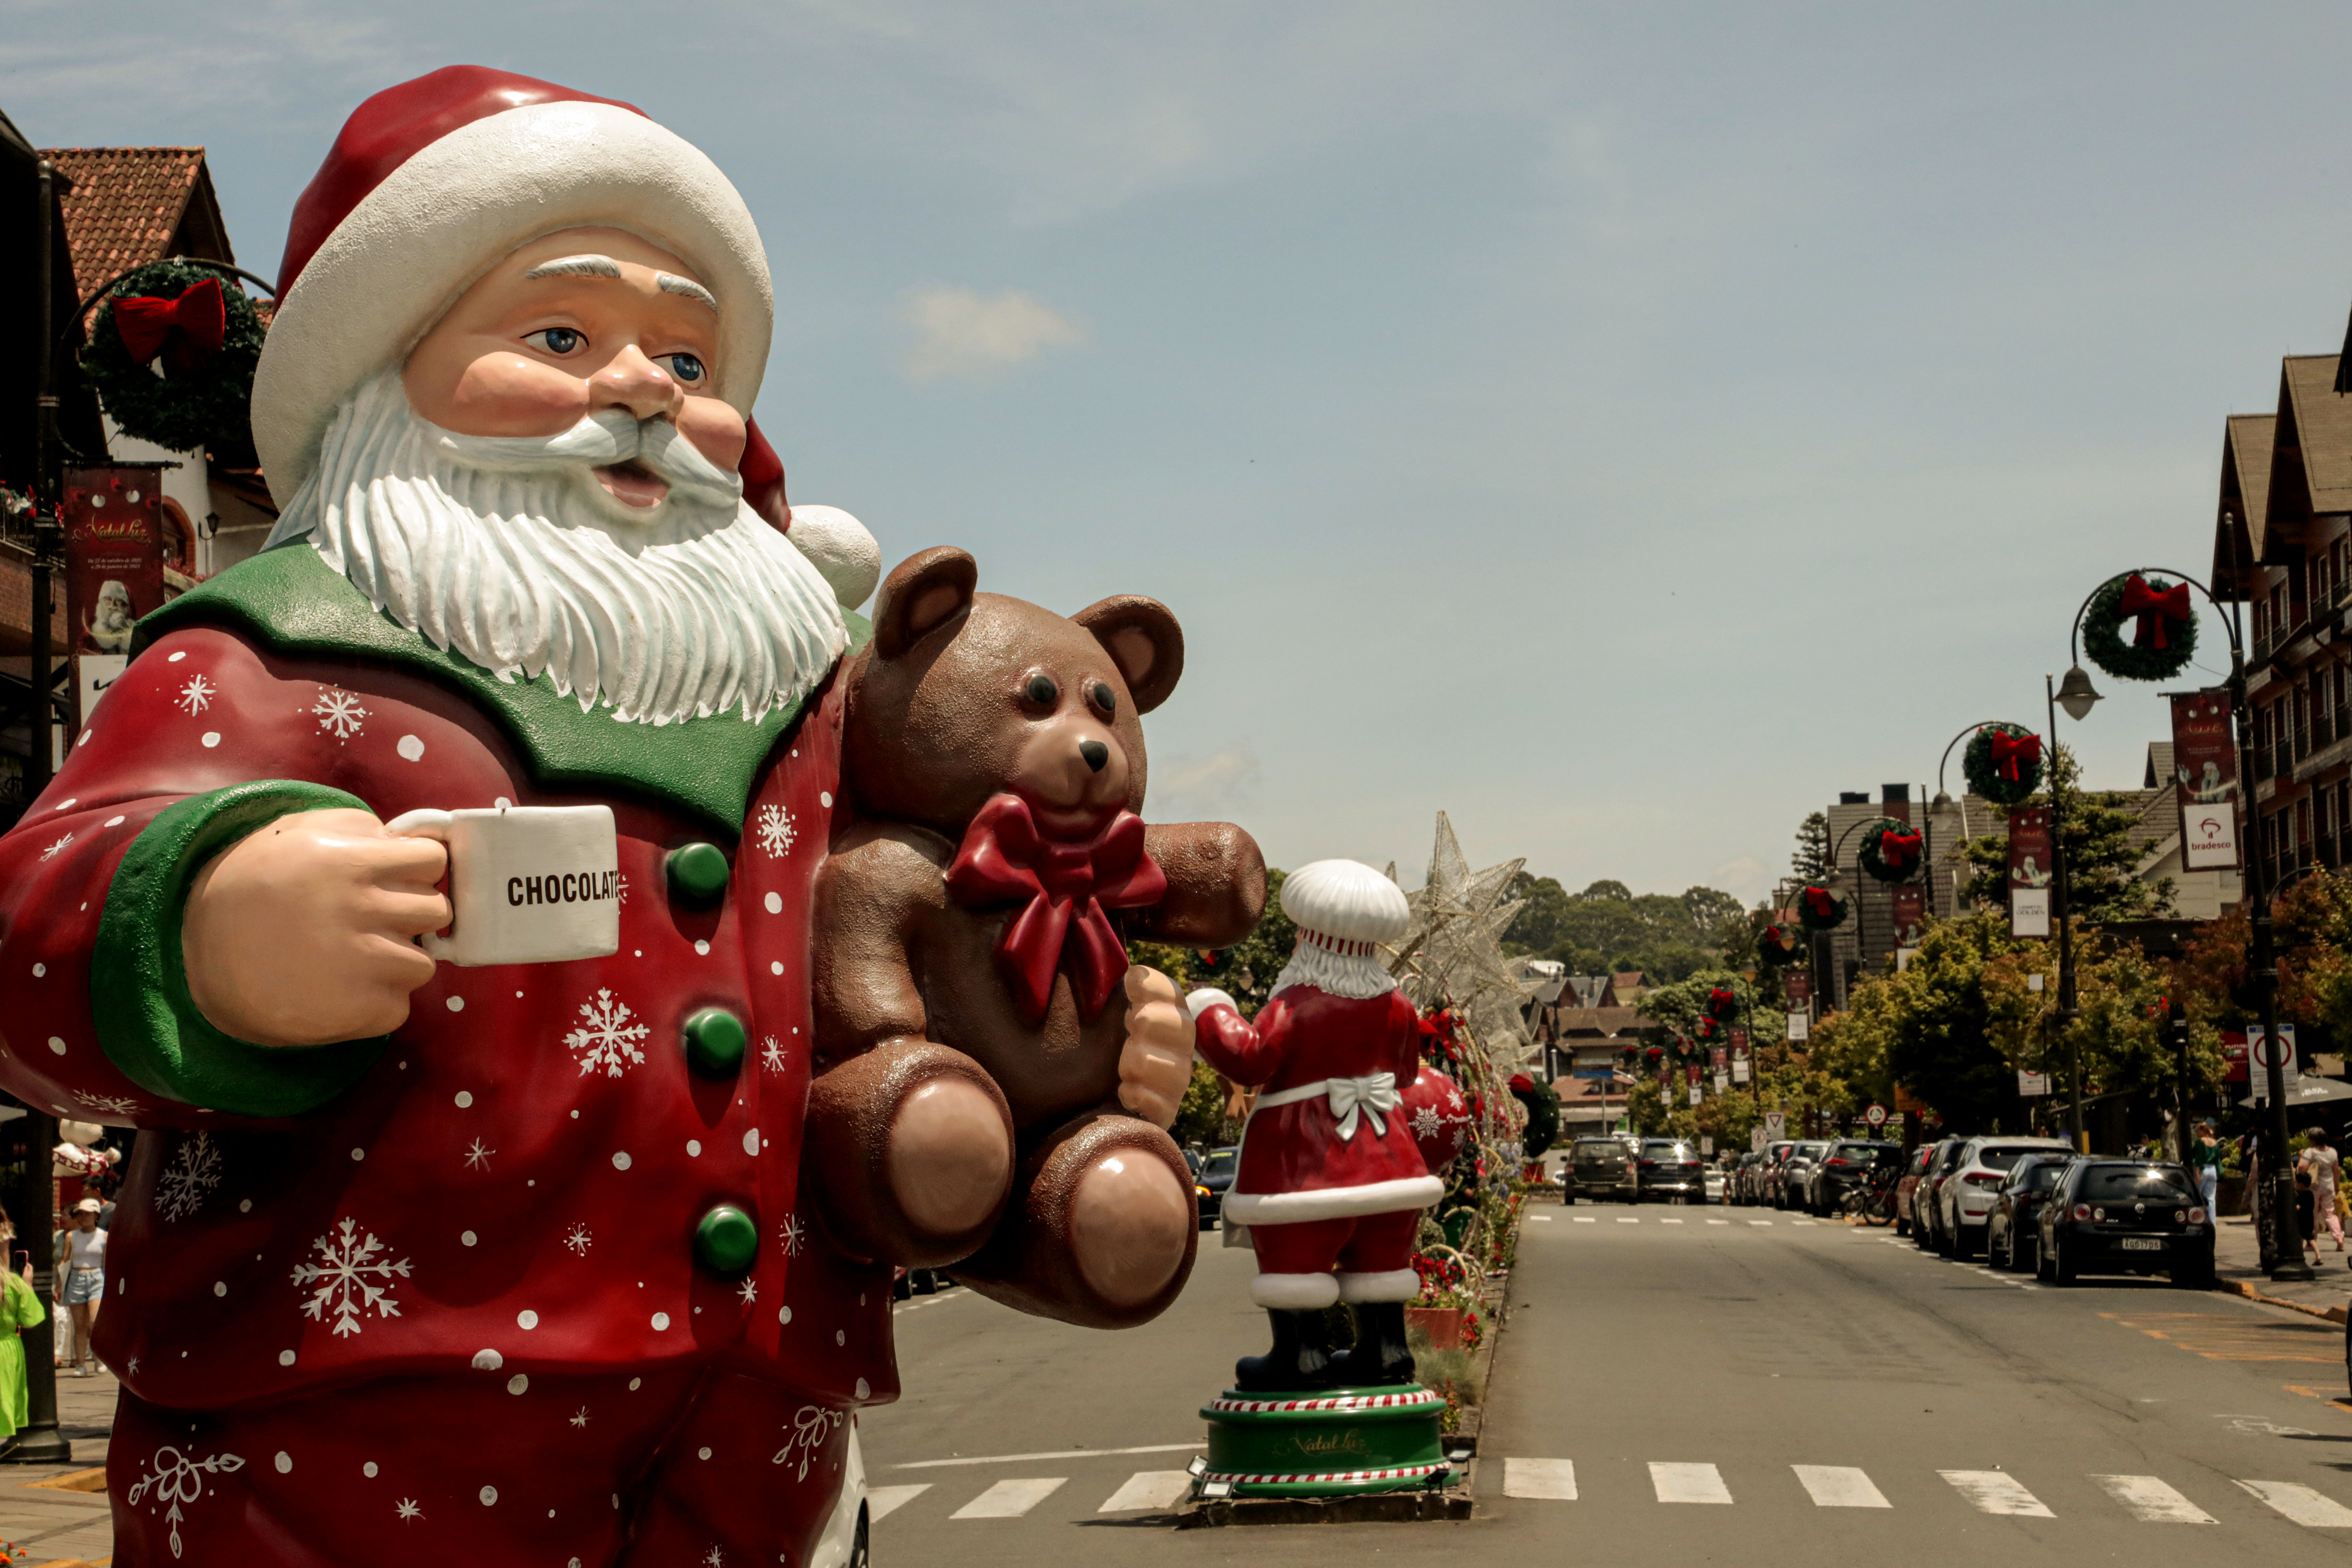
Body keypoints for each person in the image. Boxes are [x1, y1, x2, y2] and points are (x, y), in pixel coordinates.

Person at [0, 1206, 42, 1455]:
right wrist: (28, 1285)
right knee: (3, 1401)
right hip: (5, 1348)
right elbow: (30, 1320)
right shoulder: (13, 1284)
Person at [54, 1198, 104, 1377]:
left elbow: (107, 1262)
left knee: (94, 1322)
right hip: (76, 1278)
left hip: (97, 1277)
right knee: (79, 1326)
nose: (84, 1217)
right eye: (81, 1214)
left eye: (88, 1214)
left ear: (96, 1216)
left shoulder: (104, 1236)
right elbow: (65, 1260)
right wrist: (59, 1284)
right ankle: (81, 1365)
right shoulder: (72, 1236)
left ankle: (98, 1356)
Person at [2299, 1129, 2343, 1258]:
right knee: (2330, 1213)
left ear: (2313, 1140)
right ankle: (2339, 1239)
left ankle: (2311, 1242)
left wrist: (2302, 1155)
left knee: (2313, 1215)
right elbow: (2336, 1171)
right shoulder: (2333, 1152)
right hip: (2329, 1187)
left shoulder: (2310, 1152)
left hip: (2314, 1187)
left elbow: (2302, 1168)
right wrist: (2337, 1187)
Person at [2190, 1120, 2223, 1216]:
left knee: (2198, 1195)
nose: (2196, 1133)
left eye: (2197, 1131)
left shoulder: (2200, 1142)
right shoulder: (2215, 1143)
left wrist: (2197, 1174)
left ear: (2203, 1131)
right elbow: (2218, 1159)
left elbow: (2198, 1159)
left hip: (2203, 1169)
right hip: (2213, 1170)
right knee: (2211, 1198)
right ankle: (2212, 1222)